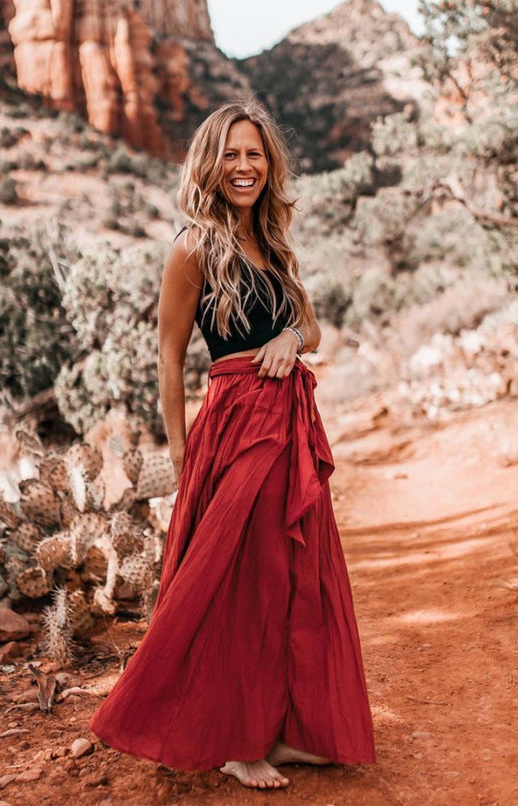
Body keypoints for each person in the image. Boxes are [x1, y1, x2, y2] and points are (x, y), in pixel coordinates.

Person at [88, 98, 376, 790]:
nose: (244, 166)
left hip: (290, 426)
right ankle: (233, 741)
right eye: (231, 154)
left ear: (268, 164)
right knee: (237, 582)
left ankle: (284, 729)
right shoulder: (194, 247)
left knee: (289, 577)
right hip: (235, 428)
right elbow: (168, 357)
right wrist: (183, 458)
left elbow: (311, 329)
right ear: (210, 165)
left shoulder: (273, 245)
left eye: (254, 154)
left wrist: (287, 338)